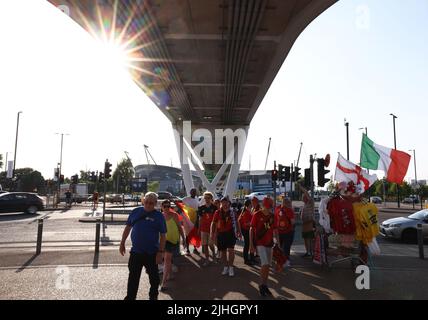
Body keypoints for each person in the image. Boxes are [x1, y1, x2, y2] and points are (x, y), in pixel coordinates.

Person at [120, 192, 167, 300]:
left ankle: (153, 297)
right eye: (146, 202)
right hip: (136, 252)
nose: (148, 205)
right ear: (143, 201)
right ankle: (131, 297)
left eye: (151, 203)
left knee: (154, 279)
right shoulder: (136, 212)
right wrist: (122, 243)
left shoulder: (159, 216)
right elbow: (128, 228)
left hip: (152, 253)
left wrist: (161, 252)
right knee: (133, 278)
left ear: (155, 203)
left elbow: (163, 235)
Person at [250, 197, 278, 296]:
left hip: (269, 243)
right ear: (264, 206)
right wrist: (251, 245)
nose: (269, 208)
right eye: (268, 206)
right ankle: (261, 285)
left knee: (268, 266)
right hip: (260, 243)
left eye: (270, 206)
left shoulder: (272, 216)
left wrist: (277, 243)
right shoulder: (257, 215)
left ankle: (265, 285)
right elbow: (251, 229)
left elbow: (275, 230)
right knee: (265, 264)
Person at [211, 196, 241, 277]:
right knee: (223, 251)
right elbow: (213, 223)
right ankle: (225, 266)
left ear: (229, 203)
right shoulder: (217, 212)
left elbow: (237, 222)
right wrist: (212, 234)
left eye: (226, 202)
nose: (224, 204)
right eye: (223, 202)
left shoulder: (233, 211)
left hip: (231, 233)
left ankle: (231, 267)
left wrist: (239, 232)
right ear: (221, 203)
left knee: (231, 250)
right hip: (221, 234)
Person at [160, 200, 185, 291]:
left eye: (168, 206)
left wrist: (183, 239)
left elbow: (179, 227)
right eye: (165, 206)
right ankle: (169, 276)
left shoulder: (174, 215)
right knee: (167, 260)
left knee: (167, 260)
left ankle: (163, 283)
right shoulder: (160, 216)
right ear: (161, 207)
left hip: (173, 240)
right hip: (164, 240)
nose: (167, 208)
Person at [274, 197, 295, 267]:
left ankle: (279, 260)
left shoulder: (277, 209)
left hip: (279, 231)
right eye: (289, 203)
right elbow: (292, 222)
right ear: (287, 203)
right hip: (288, 231)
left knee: (279, 246)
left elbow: (275, 220)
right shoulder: (289, 210)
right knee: (287, 247)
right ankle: (286, 261)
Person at [197, 192, 218, 266]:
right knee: (205, 245)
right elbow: (200, 219)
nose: (206, 199)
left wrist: (216, 230)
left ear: (211, 198)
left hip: (211, 229)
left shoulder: (215, 208)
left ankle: (214, 255)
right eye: (205, 198)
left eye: (208, 198)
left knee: (210, 244)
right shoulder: (201, 208)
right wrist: (199, 229)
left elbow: (217, 221)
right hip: (203, 229)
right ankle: (207, 259)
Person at [297, 184, 315, 257]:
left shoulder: (310, 203)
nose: (303, 198)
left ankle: (311, 252)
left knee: (310, 238)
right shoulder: (303, 206)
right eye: (302, 197)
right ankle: (308, 252)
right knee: (305, 239)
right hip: (304, 224)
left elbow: (307, 194)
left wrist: (302, 188)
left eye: (304, 197)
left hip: (310, 223)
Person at [182, 188, 200, 255]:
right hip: (187, 219)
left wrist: (197, 220)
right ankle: (188, 249)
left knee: (195, 234)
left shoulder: (197, 199)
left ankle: (195, 249)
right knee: (187, 234)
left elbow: (198, 210)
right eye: (192, 191)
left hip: (195, 220)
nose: (193, 193)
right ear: (190, 192)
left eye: (194, 192)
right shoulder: (185, 199)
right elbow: (181, 205)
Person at [238, 199, 255, 265]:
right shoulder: (246, 213)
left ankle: (251, 258)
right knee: (247, 245)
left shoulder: (248, 211)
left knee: (250, 244)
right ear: (248, 205)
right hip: (246, 230)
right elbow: (245, 223)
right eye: (251, 204)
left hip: (247, 230)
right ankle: (246, 259)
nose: (252, 205)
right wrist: (253, 223)